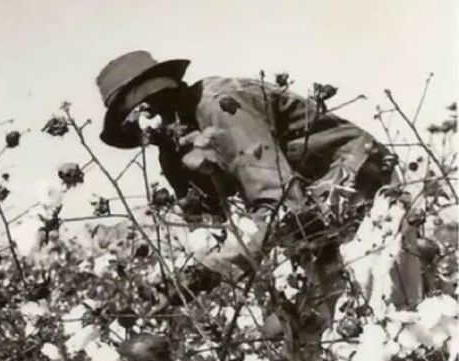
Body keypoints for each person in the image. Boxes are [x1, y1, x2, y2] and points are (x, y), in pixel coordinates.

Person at [94, 51, 421, 332]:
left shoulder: (217, 105)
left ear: (154, 99)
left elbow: (281, 202)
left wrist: (207, 272)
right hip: (311, 215)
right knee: (320, 328)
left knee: (387, 314)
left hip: (359, 183)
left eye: (145, 111)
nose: (146, 127)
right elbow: (207, 229)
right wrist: (167, 280)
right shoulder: (173, 150)